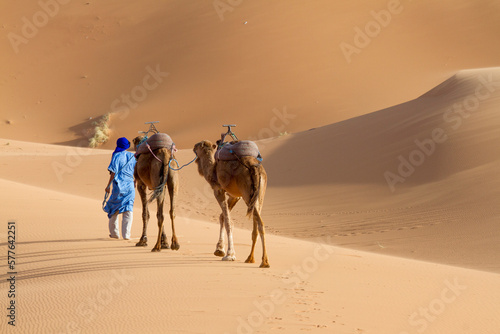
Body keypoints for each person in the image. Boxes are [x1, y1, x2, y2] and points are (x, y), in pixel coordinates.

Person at [104, 137, 137, 240]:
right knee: (128, 210)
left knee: (114, 210)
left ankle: (114, 234)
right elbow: (137, 171)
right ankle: (126, 235)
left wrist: (108, 186)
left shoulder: (116, 156)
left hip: (118, 187)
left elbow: (113, 172)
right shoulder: (133, 156)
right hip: (130, 187)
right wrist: (135, 181)